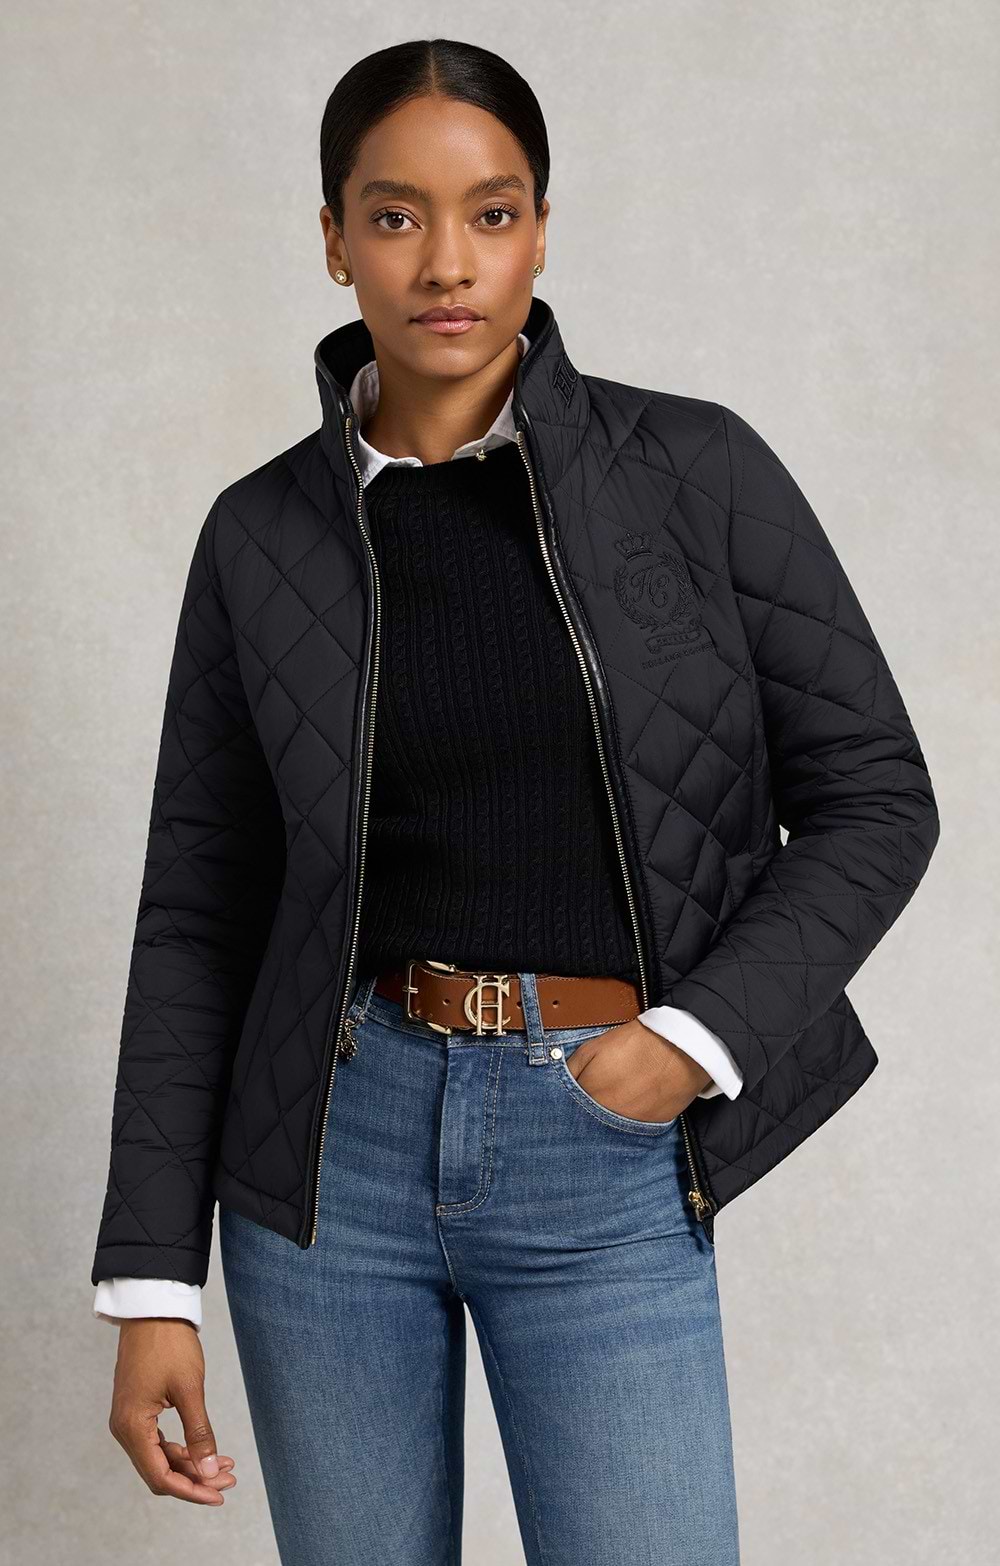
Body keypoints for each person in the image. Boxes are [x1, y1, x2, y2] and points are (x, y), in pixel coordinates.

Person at [91, 37, 940, 1566]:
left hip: (599, 1139)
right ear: (334, 238)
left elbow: (878, 795)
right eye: (395, 215)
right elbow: (199, 910)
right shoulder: (260, 536)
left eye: (491, 214)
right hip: (329, 1164)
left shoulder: (695, 471)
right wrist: (153, 1282)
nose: (446, 262)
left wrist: (690, 1042)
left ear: (541, 231)